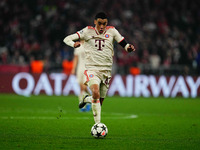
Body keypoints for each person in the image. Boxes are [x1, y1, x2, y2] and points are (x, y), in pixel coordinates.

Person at [63, 12, 135, 124]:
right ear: (95, 22)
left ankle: (86, 99)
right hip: (92, 69)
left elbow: (123, 43)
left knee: (98, 101)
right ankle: (98, 125)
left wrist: (128, 48)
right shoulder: (87, 31)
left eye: (104, 24)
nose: (102, 26)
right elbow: (67, 38)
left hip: (106, 71)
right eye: (99, 23)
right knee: (95, 92)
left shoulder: (112, 31)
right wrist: (73, 44)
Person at [71, 42, 91, 112]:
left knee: (84, 87)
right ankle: (83, 106)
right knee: (81, 89)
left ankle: (89, 101)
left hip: (87, 69)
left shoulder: (89, 44)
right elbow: (76, 58)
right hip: (79, 69)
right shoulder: (77, 46)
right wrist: (73, 68)